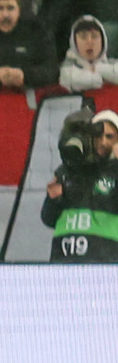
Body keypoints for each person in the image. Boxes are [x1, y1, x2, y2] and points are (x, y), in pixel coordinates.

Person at [42, 109, 118, 261]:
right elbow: (48, 219)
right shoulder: (67, 171)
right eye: (98, 136)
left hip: (105, 266)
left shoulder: (115, 174)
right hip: (63, 263)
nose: (103, 142)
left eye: (109, 137)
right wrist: (53, 200)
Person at [59, 15, 118, 91]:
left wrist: (97, 68)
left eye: (94, 36)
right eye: (83, 37)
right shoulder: (69, 64)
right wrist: (99, 78)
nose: (89, 42)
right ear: (74, 42)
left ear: (103, 41)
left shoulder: (109, 62)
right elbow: (69, 79)